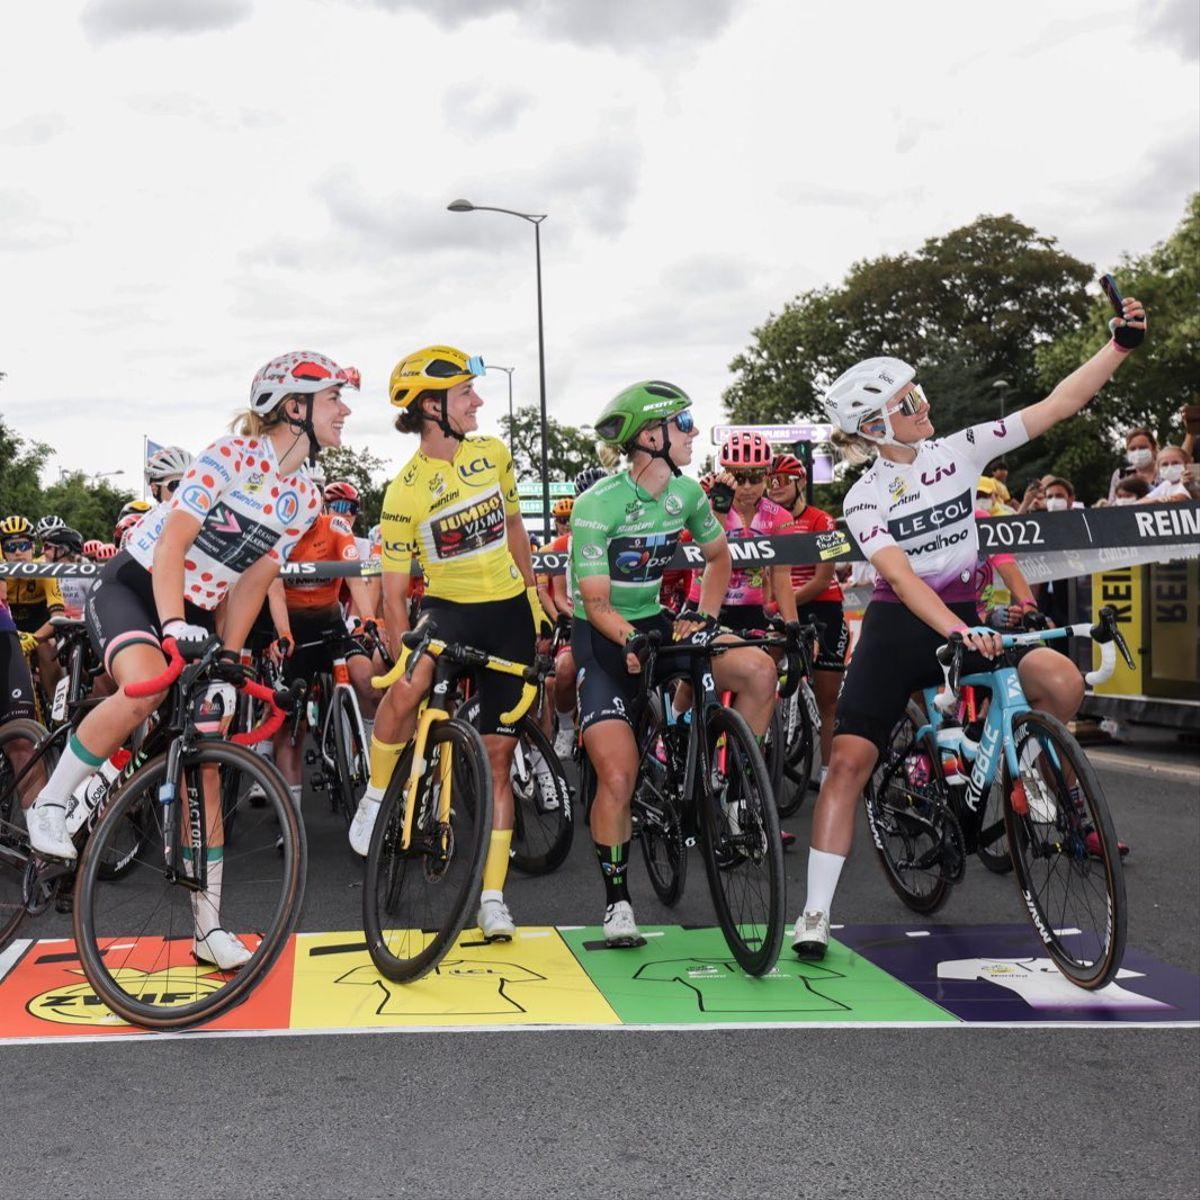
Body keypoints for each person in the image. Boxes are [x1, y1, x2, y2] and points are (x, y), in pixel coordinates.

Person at [790, 294, 1147, 960]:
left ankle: (1026, 768)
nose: (922, 404)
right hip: (901, 628)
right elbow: (901, 579)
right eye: (907, 401)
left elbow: (1057, 405)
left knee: (1061, 681)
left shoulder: (961, 450)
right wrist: (955, 630)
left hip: (964, 616)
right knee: (848, 761)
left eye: (917, 392)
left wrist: (1118, 347)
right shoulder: (864, 496)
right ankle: (814, 913)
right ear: (875, 425)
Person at [23, 350, 356, 970]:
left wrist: (228, 656)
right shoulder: (230, 457)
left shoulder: (304, 498)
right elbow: (174, 542)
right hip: (138, 584)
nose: (345, 411)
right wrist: (173, 623)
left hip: (198, 608)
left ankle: (208, 927)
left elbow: (254, 578)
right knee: (148, 684)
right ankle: (49, 803)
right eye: (334, 398)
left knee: (204, 763)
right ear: (295, 407)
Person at [572, 381, 777, 946]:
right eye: (683, 422)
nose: (693, 431)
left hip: (657, 621)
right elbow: (597, 605)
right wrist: (631, 639)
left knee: (760, 671)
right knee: (618, 775)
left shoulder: (685, 493)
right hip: (602, 636)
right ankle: (618, 902)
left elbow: (718, 557)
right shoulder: (597, 504)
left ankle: (731, 790)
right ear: (649, 436)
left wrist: (704, 618)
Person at [349, 346, 543, 944]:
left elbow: (515, 526)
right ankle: (376, 795)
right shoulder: (404, 490)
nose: (478, 401)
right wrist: (399, 652)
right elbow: (393, 592)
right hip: (449, 610)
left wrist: (533, 593)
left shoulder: (494, 453)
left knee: (498, 760)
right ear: (432, 408)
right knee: (411, 682)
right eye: (465, 393)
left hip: (507, 613)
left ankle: (492, 898)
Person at [766, 452, 849, 776]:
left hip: (822, 608)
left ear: (800, 482)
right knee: (761, 672)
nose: (774, 487)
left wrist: (781, 604)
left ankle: (829, 776)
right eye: (769, 481)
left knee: (828, 701)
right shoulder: (767, 521)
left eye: (782, 480)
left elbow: (822, 580)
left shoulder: (822, 520)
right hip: (785, 607)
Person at [686, 433, 798, 632]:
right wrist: (719, 513)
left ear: (766, 475)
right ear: (726, 475)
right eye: (738, 478)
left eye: (754, 477)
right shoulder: (705, 507)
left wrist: (792, 624)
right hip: (704, 603)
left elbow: (781, 577)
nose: (747, 486)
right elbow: (703, 563)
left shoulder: (780, 517)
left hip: (750, 609)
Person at [1, 514, 66, 692]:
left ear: (33, 547)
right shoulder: (1, 576)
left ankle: (55, 703)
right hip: (10, 627)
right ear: (3, 552)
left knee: (47, 647)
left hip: (41, 630)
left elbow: (58, 617)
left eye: (23, 545)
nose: (17, 552)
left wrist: (34, 639)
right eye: (10, 547)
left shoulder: (45, 570)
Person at [1107, 427, 1159, 502]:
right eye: (1132, 449)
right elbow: (1112, 504)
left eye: (1142, 447)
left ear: (1154, 449)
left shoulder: (1165, 472)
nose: (1137, 452)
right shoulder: (1121, 475)